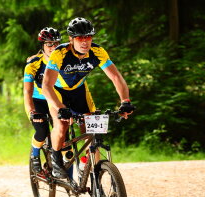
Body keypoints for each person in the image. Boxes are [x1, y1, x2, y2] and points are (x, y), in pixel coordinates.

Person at [41, 17, 135, 179]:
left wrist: (125, 101)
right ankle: (56, 159)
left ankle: (90, 167)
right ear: (71, 39)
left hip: (79, 91)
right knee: (62, 125)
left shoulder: (97, 52)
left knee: (91, 129)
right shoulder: (60, 53)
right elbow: (46, 86)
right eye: (79, 38)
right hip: (57, 92)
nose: (85, 42)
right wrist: (60, 108)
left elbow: (116, 77)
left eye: (88, 37)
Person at [23, 27, 61, 173]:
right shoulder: (33, 63)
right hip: (37, 101)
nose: (53, 47)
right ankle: (35, 155)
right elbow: (27, 90)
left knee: (64, 134)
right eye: (49, 44)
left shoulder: (64, 60)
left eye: (56, 44)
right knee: (42, 130)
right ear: (42, 46)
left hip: (56, 100)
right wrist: (32, 111)